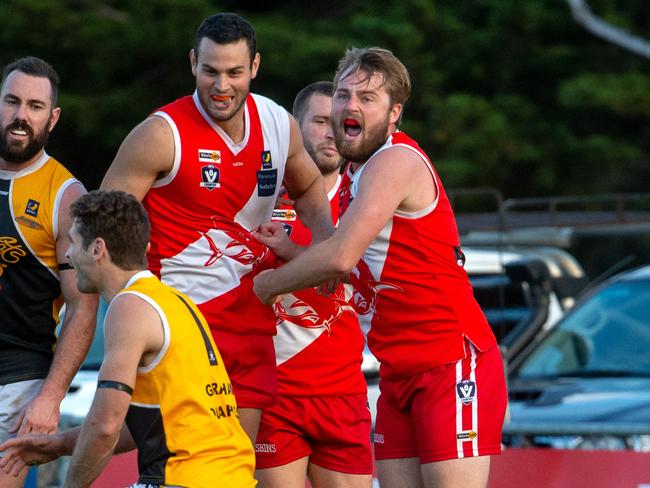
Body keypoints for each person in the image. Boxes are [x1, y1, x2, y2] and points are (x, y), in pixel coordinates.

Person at [253, 47, 507, 488]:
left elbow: (338, 257)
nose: (351, 105)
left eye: (367, 98)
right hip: (398, 369)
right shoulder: (355, 172)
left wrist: (266, 286)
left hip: (450, 362)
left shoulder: (394, 161)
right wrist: (294, 252)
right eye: (343, 94)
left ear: (394, 113)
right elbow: (346, 268)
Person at [99, 12, 333, 443]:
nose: (221, 86)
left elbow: (310, 185)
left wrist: (325, 247)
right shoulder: (160, 133)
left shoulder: (280, 124)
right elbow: (105, 223)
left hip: (252, 323)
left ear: (255, 67)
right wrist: (134, 308)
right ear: (193, 62)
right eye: (210, 71)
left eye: (234, 72)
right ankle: (65, 446)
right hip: (185, 323)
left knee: (234, 465)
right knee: (178, 461)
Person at [0, 190, 257, 487]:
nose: (68, 254)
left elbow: (104, 426)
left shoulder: (129, 306)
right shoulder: (174, 301)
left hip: (183, 478)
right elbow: (138, 428)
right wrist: (59, 445)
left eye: (73, 242)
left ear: (97, 249)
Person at [254, 82, 372, 488]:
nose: (330, 132)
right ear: (294, 128)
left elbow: (347, 271)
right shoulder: (263, 198)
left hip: (343, 392)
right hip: (276, 393)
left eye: (337, 122)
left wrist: (288, 253)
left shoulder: (365, 199)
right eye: (320, 121)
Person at [0, 56, 98, 488]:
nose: (22, 116)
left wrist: (51, 397)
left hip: (17, 379)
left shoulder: (66, 195)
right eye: (12, 101)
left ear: (53, 117)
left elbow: (82, 306)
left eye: (35, 106)